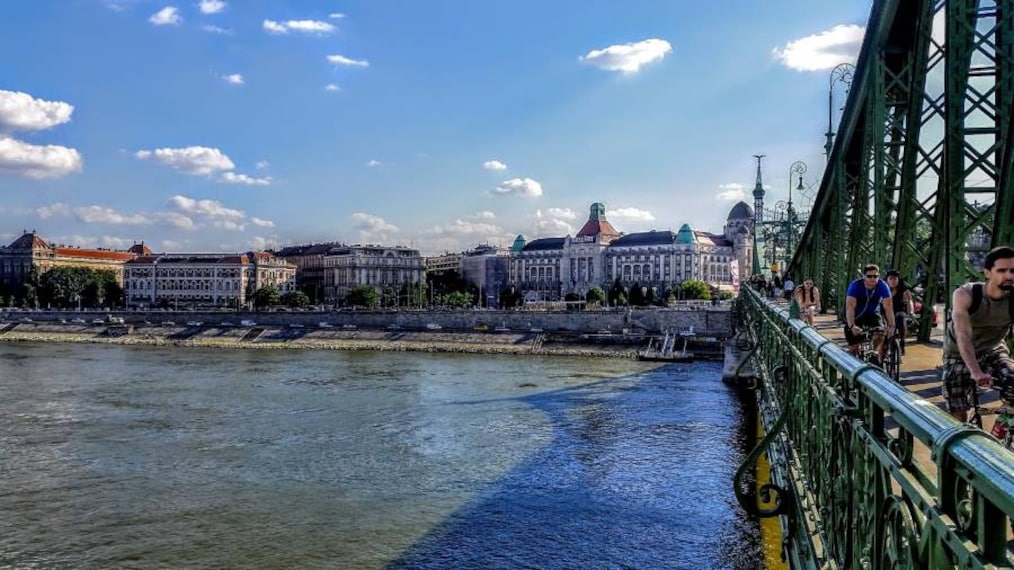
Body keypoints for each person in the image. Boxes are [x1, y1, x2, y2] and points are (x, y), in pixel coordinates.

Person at [941, 246, 1014, 421]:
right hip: (958, 353)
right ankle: (961, 440)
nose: (1009, 276)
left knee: (1012, 378)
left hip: (993, 349)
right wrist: (975, 371)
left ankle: (1004, 425)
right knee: (957, 407)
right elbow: (963, 335)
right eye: (1002, 270)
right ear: (987, 273)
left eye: (1013, 271)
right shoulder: (966, 294)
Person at [844, 264, 895, 361]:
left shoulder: (883, 286)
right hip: (856, 315)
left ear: (878, 276)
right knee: (853, 349)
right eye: (869, 276)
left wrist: (891, 326)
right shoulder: (855, 286)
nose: (873, 279)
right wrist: (852, 326)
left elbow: (888, 307)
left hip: (872, 314)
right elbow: (850, 308)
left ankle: (873, 353)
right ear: (864, 276)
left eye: (875, 276)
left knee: (880, 333)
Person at [884, 269, 914, 354]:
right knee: (884, 326)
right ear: (887, 280)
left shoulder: (903, 288)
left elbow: (909, 301)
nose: (893, 281)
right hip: (886, 311)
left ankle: (902, 342)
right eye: (891, 279)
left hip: (899, 310)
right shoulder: (883, 287)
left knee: (901, 318)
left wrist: (911, 312)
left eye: (895, 279)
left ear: (898, 279)